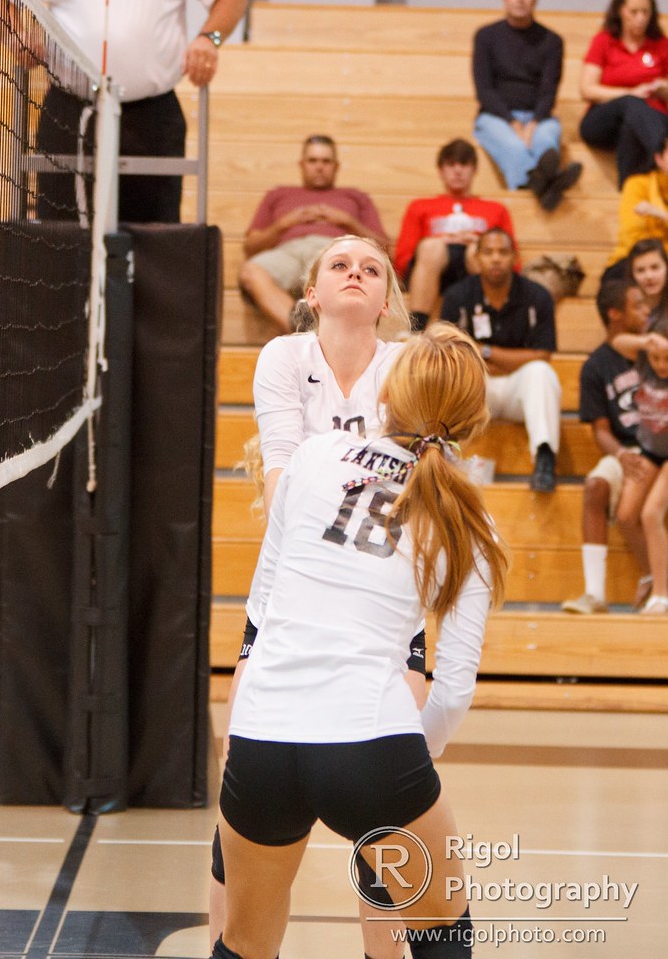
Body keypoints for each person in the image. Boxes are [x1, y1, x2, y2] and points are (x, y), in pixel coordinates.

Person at [213, 322, 509, 959]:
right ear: (471, 417)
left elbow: (263, 601)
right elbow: (453, 689)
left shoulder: (316, 456)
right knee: (441, 934)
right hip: (372, 746)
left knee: (244, 947)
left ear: (388, 393)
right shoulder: (469, 517)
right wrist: (403, 764)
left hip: (264, 738)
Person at [211, 236, 422, 959]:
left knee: (382, 804)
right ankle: (232, 941)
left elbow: (422, 489)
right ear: (310, 294)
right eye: (339, 265)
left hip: (383, 594)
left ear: (387, 301)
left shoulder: (409, 367)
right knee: (244, 765)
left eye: (371, 268)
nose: (356, 273)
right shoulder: (283, 357)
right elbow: (279, 472)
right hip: (293, 581)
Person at [6, 0, 247, 222]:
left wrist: (210, 38)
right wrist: (17, 32)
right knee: (61, 234)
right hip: (69, 113)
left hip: (151, 117)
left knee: (152, 238)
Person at [441, 227, 561, 493]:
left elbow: (542, 354)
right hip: (478, 389)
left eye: (503, 252)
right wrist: (510, 359)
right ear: (477, 258)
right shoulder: (457, 296)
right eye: (489, 252)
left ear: (514, 257)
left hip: (520, 390)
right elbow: (447, 351)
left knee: (541, 372)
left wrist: (484, 352)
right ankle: (441, 458)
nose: (496, 259)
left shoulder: (537, 296)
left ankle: (544, 459)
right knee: (453, 374)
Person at [562, 279, 655, 614]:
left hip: (659, 448)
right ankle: (595, 594)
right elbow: (600, 429)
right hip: (625, 449)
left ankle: (655, 579)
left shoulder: (654, 351)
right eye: (638, 305)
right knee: (596, 486)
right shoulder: (596, 366)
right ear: (615, 313)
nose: (647, 311)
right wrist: (620, 454)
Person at [238, 136, 389, 333]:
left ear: (336, 166)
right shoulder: (278, 194)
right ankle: (302, 331)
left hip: (333, 249)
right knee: (250, 271)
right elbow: (250, 247)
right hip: (287, 253)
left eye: (326, 161)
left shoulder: (355, 197)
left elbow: (383, 249)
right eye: (313, 161)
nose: (319, 167)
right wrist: (284, 224)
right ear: (302, 165)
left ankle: (310, 334)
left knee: (330, 267)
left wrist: (348, 221)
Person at [472, 0, 582, 210]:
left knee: (546, 138)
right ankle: (549, 184)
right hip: (495, 117)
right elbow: (484, 91)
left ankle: (539, 180)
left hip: (538, 116)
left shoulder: (552, 41)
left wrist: (533, 124)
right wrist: (513, 123)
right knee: (514, 145)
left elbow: (548, 91)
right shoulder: (486, 37)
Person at [394, 139, 517, 332]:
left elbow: (512, 260)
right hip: (431, 269)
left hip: (474, 272)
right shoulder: (420, 206)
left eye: (464, 164)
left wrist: (480, 243)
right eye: (451, 164)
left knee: (475, 251)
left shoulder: (495, 209)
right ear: (441, 171)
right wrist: (439, 240)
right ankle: (416, 329)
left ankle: (490, 328)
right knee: (432, 247)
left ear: (474, 170)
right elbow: (402, 260)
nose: (458, 170)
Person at [580, 0, 668, 189]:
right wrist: (630, 93)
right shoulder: (605, 41)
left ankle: (629, 197)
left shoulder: (661, 45)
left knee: (631, 127)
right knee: (631, 103)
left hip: (649, 120)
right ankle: (663, 152)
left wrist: (662, 89)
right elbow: (587, 89)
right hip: (603, 120)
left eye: (645, 12)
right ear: (620, 10)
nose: (640, 18)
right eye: (634, 12)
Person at [611, 317, 668, 614]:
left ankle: (662, 594)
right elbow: (618, 342)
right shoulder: (646, 362)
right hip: (649, 449)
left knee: (650, 514)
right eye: (656, 359)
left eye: (666, 359)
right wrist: (648, 343)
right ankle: (652, 573)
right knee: (626, 514)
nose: (661, 365)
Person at [605, 137, 668, 276]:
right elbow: (633, 236)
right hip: (634, 260)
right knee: (615, 277)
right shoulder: (637, 185)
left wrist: (660, 214)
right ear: (659, 159)